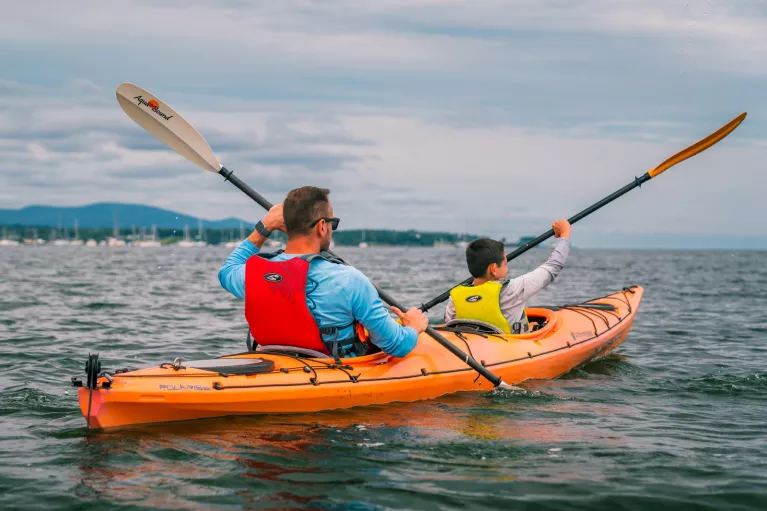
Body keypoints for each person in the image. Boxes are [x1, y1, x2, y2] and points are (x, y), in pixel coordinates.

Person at [218, 186, 428, 359]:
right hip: (331, 370)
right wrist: (414, 328)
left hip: (273, 361)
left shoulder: (254, 273)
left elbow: (227, 271)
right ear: (321, 226)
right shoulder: (349, 279)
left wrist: (264, 227)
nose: (331, 228)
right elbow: (396, 346)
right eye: (332, 223)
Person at [445, 219, 571, 334]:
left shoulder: (454, 297)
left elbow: (449, 327)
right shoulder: (512, 290)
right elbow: (553, 267)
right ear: (493, 269)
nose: (507, 268)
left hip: (471, 350)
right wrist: (565, 234)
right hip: (508, 352)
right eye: (505, 263)